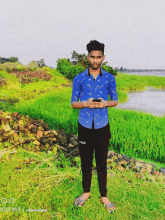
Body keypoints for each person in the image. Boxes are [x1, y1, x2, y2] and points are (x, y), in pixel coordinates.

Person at [71, 40, 118, 213]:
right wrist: (85, 103)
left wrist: (105, 103)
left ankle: (104, 195)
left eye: (99, 57)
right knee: (85, 161)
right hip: (84, 125)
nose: (96, 60)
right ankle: (86, 192)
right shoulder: (79, 79)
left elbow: (115, 101)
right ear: (88, 57)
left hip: (102, 126)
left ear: (103, 57)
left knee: (101, 161)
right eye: (92, 57)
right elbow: (73, 103)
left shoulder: (110, 78)